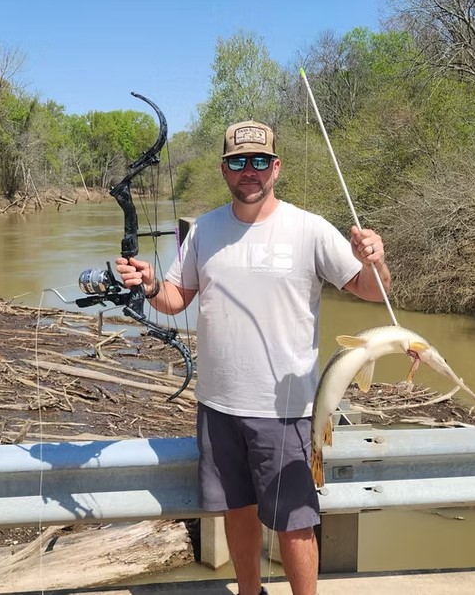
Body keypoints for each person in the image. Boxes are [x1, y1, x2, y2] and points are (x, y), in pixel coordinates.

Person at [114, 120, 391, 595]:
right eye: (239, 161)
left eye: (260, 161)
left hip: (284, 412)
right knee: (237, 512)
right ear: (224, 169)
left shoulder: (310, 229)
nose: (250, 171)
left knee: (295, 522)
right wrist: (150, 284)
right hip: (218, 406)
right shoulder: (203, 231)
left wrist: (375, 258)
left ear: (276, 168)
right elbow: (178, 298)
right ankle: (250, 592)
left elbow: (372, 291)